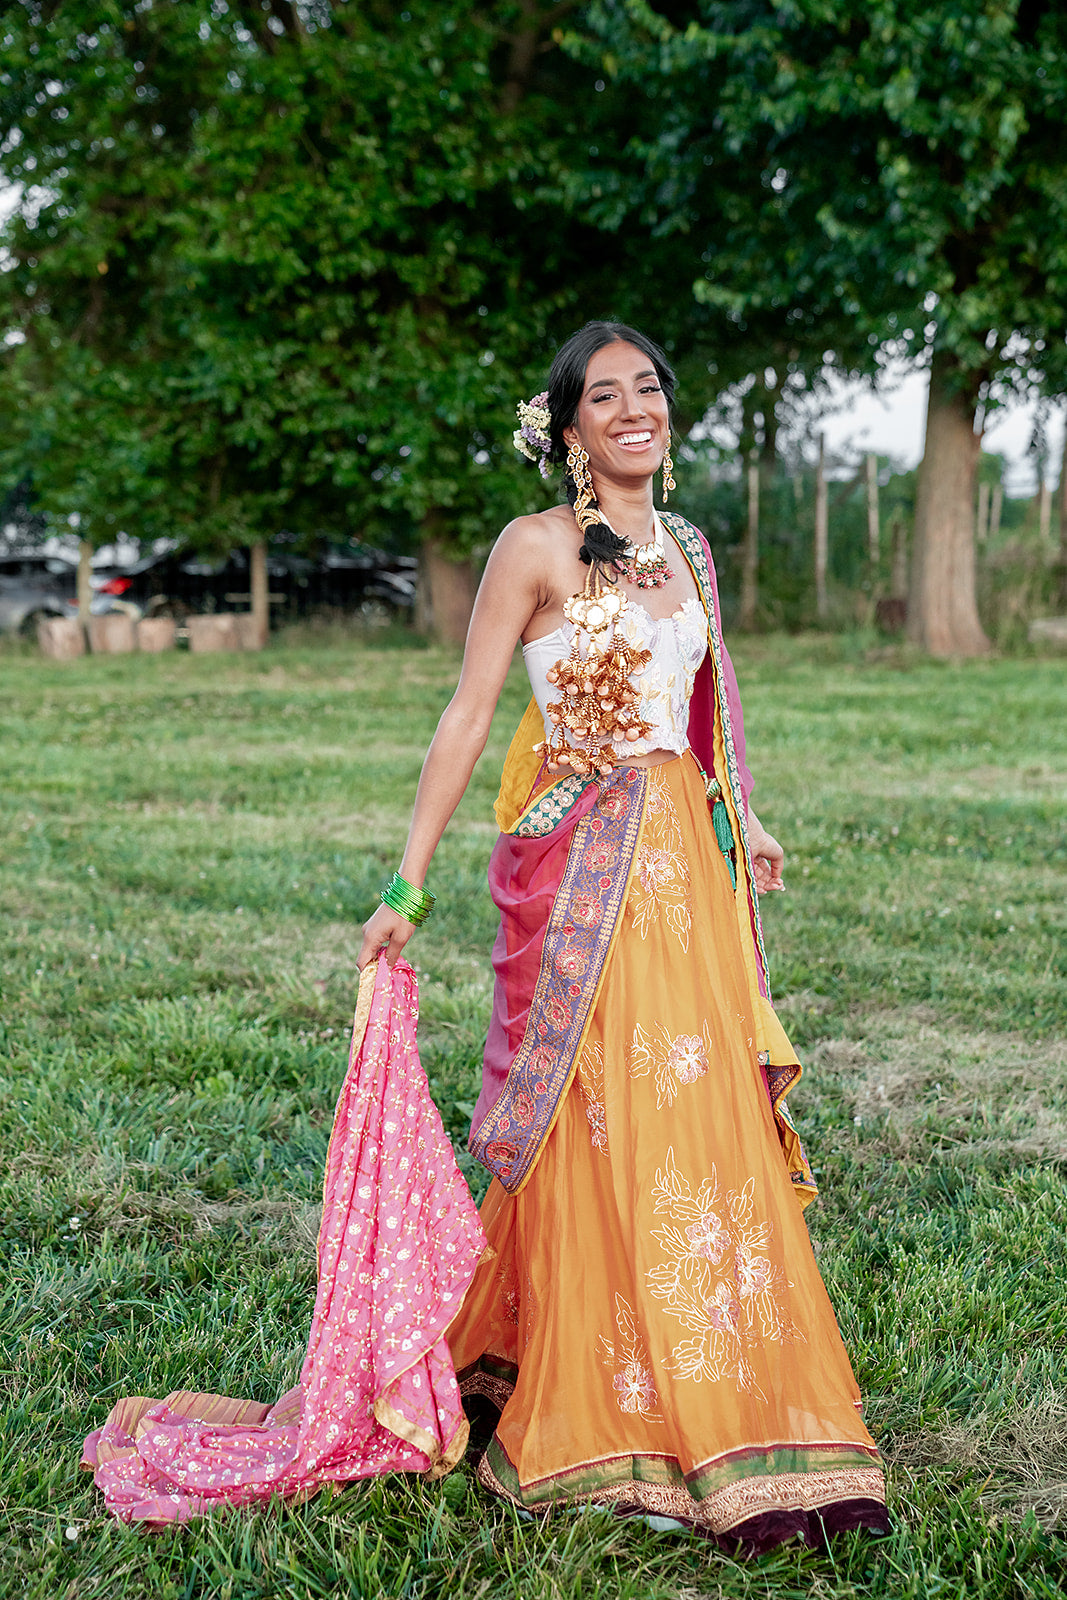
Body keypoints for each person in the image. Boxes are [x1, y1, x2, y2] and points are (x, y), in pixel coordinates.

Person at [358, 321, 890, 1554]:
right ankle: (605, 1396)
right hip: (586, 876)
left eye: (648, 388)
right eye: (606, 396)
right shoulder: (531, 547)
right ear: (567, 429)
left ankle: (726, 1382)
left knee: (698, 1119)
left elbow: (691, 718)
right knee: (607, 1123)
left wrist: (741, 816)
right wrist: (407, 883)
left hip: (687, 880)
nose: (635, 408)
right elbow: (468, 713)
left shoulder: (689, 549)